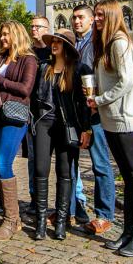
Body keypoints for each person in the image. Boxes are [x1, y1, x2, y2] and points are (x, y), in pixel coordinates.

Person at [86, 0, 133, 257]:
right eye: (96, 15)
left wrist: (99, 100)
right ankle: (129, 233)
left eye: (101, 15)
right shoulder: (108, 44)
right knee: (128, 177)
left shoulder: (120, 41)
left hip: (126, 118)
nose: (97, 19)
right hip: (112, 119)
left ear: (112, 15)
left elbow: (127, 81)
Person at [0, 21, 38, 241]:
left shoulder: (29, 60)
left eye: (6, 34)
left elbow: (25, 89)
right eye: (2, 34)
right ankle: (12, 218)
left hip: (14, 117)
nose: (2, 38)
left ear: (17, 35)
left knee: (3, 163)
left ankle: (10, 219)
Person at [31, 29, 92, 240]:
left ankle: (61, 222)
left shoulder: (79, 69)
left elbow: (85, 104)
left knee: (65, 173)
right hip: (44, 123)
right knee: (40, 170)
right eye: (53, 41)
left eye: (59, 42)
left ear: (68, 46)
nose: (54, 44)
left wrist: (86, 128)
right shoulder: (43, 68)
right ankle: (40, 222)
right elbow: (33, 98)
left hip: (68, 126)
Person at [70, 3, 116, 235]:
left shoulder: (97, 43)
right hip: (75, 111)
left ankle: (104, 215)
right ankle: (71, 209)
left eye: (81, 18)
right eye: (74, 18)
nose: (77, 21)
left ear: (90, 21)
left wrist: (96, 102)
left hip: (93, 111)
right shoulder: (73, 44)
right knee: (70, 163)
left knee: (99, 164)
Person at [24, 15, 51, 215]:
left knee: (65, 163)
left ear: (47, 28)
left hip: (51, 110)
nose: (34, 29)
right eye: (32, 26)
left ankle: (72, 204)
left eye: (38, 26)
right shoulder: (26, 52)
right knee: (34, 158)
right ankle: (36, 200)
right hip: (32, 111)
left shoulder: (53, 51)